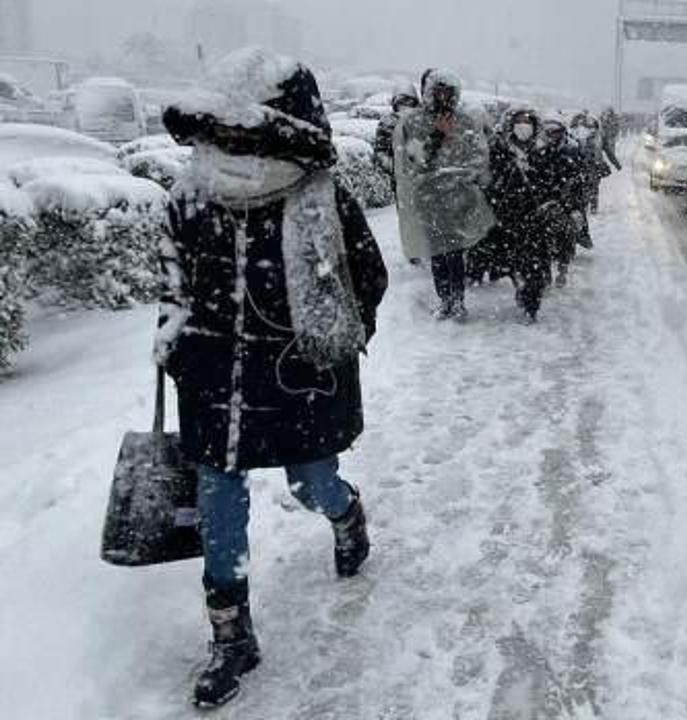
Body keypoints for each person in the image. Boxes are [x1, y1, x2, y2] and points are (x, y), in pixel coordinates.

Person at [157, 47, 388, 709]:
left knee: (311, 482)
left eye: (240, 130)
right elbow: (172, 283)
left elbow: (366, 279)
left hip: (298, 379)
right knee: (218, 501)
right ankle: (231, 635)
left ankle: (346, 514)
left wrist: (332, 340)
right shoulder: (192, 195)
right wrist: (175, 337)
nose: (226, 142)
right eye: (219, 130)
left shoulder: (320, 198)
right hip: (214, 380)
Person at [393, 69, 494, 320]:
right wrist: (437, 137)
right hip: (428, 198)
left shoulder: (466, 122)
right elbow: (413, 161)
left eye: (448, 92)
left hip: (459, 198)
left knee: (455, 250)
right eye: (438, 92)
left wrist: (462, 177)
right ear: (428, 93)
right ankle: (444, 299)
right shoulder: (413, 122)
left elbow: (479, 157)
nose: (443, 97)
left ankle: (457, 300)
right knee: (437, 251)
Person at [487, 106, 566, 321]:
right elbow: (491, 181)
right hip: (508, 218)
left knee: (535, 266)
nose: (523, 126)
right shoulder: (499, 149)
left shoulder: (543, 151)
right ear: (511, 125)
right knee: (514, 263)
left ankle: (531, 303)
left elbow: (554, 181)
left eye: (527, 122)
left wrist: (549, 201)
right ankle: (520, 288)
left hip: (536, 218)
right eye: (519, 121)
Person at [540, 119, 587, 288]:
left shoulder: (572, 150)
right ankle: (545, 273)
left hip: (566, 202)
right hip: (544, 201)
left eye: (556, 132)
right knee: (540, 239)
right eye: (549, 132)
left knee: (566, 236)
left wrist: (571, 200)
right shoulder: (539, 152)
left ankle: (562, 269)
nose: (553, 136)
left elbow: (580, 177)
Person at [374, 91, 421, 188]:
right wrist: (391, 166)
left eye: (409, 104)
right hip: (398, 173)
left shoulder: (421, 121)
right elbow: (380, 149)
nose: (405, 108)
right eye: (401, 104)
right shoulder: (387, 122)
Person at [570, 110, 612, 216]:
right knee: (583, 186)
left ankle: (593, 207)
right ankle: (584, 206)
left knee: (594, 187)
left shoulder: (599, 137)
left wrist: (617, 165)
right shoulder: (579, 137)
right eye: (589, 126)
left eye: (593, 126)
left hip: (595, 166)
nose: (591, 129)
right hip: (582, 166)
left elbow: (608, 150)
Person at [599, 106, 623, 172]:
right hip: (604, 135)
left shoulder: (614, 118)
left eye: (609, 111)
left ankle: (613, 159)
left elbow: (617, 126)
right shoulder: (603, 118)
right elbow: (600, 125)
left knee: (611, 148)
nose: (608, 113)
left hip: (611, 135)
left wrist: (614, 133)